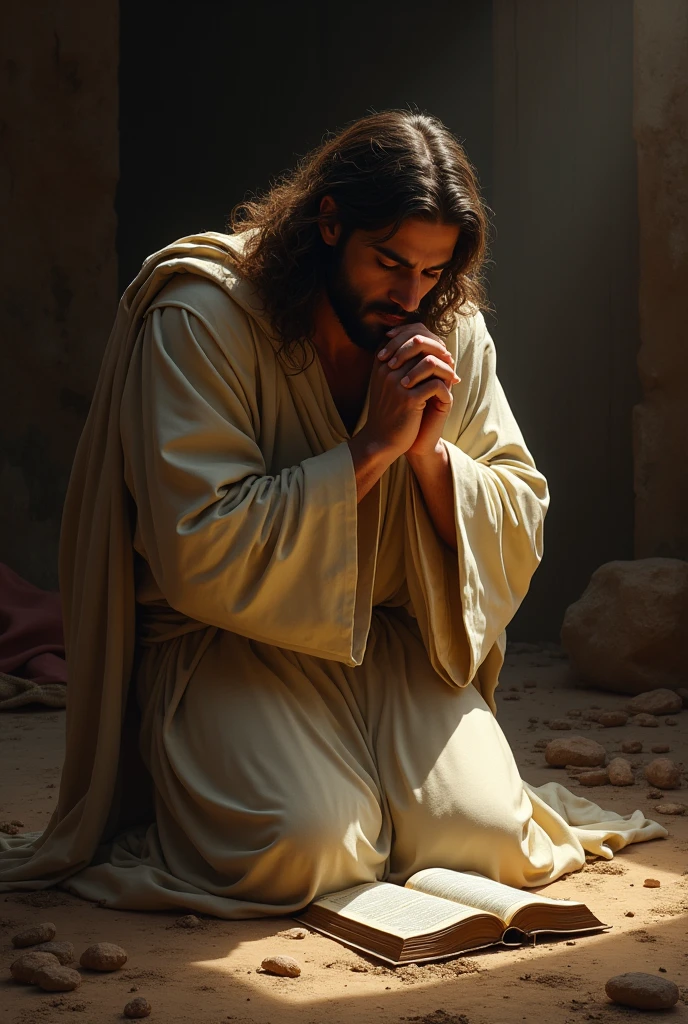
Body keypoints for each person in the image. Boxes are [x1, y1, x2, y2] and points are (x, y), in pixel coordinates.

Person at [0, 111, 665, 914]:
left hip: (392, 641)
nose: (410, 295)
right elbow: (196, 546)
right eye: (388, 263)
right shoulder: (201, 316)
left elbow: (518, 508)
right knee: (307, 849)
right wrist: (372, 449)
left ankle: (377, 789)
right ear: (327, 221)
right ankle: (189, 807)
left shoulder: (450, 325)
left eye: (432, 271)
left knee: (487, 840)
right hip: (229, 643)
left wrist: (428, 456)